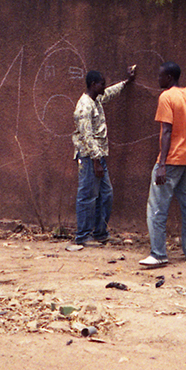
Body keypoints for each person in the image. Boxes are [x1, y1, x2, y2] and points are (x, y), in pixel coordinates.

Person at [140, 62, 186, 268]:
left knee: (157, 207)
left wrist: (162, 164)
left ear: (169, 77)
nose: (158, 79)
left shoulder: (166, 97)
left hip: (172, 160)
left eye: (160, 76)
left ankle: (158, 253)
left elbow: (166, 131)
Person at [68, 64, 137, 251]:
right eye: (101, 84)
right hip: (90, 157)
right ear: (92, 84)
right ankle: (82, 236)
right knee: (87, 196)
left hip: (99, 157)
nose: (104, 87)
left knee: (105, 194)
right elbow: (86, 136)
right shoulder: (84, 106)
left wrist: (127, 82)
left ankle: (100, 233)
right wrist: (96, 161)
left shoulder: (96, 99)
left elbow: (110, 93)